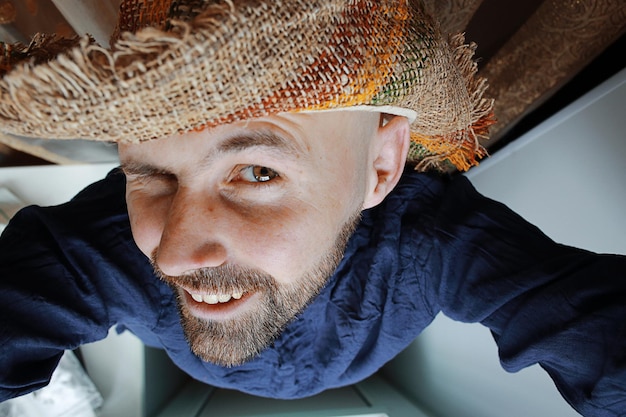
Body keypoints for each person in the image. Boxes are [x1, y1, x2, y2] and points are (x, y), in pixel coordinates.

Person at [0, 1, 624, 415]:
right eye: (152, 175)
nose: (172, 252)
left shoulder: (437, 235)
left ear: (381, 166)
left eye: (258, 171)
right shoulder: (96, 242)